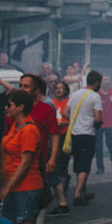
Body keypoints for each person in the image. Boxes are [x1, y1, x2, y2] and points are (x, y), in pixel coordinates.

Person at [0, 86, 44, 224]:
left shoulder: (29, 130)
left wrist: (7, 187)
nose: (6, 108)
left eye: (10, 105)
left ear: (21, 107)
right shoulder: (14, 128)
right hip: (13, 185)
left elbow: (25, 163)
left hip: (26, 186)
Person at [19, 71, 59, 201]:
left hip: (39, 160)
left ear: (36, 91)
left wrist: (52, 158)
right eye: (20, 86)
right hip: (17, 159)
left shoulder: (45, 109)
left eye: (26, 86)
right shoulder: (14, 110)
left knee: (36, 199)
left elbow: (54, 135)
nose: (22, 89)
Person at [66, 69, 104, 203]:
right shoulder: (95, 96)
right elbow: (98, 118)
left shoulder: (75, 94)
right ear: (96, 82)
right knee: (85, 164)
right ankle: (77, 194)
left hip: (75, 133)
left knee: (79, 163)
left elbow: (66, 113)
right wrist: (97, 124)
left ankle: (84, 191)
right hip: (88, 133)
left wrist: (75, 121)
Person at [48, 81, 72, 212]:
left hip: (64, 136)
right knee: (54, 161)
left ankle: (62, 185)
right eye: (56, 88)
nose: (58, 91)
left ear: (66, 91)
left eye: (61, 88)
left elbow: (71, 119)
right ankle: (57, 186)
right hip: (52, 136)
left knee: (63, 162)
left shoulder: (68, 103)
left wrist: (62, 124)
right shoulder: (51, 102)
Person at [96, 76, 112, 173]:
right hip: (99, 123)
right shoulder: (96, 93)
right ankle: (100, 168)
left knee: (111, 144)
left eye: (106, 79)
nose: (105, 81)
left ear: (109, 81)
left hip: (110, 122)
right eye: (103, 80)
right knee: (98, 147)